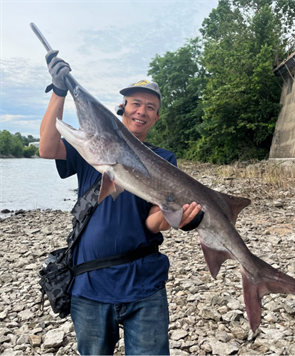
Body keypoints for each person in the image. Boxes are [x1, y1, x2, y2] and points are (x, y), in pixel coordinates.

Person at [39, 50, 203, 356]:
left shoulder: (163, 159)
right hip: (89, 284)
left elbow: (154, 222)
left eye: (150, 107)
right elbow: (47, 147)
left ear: (156, 117)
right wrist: (59, 91)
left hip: (144, 284)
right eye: (136, 103)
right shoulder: (92, 149)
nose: (141, 111)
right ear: (123, 107)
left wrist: (179, 215)